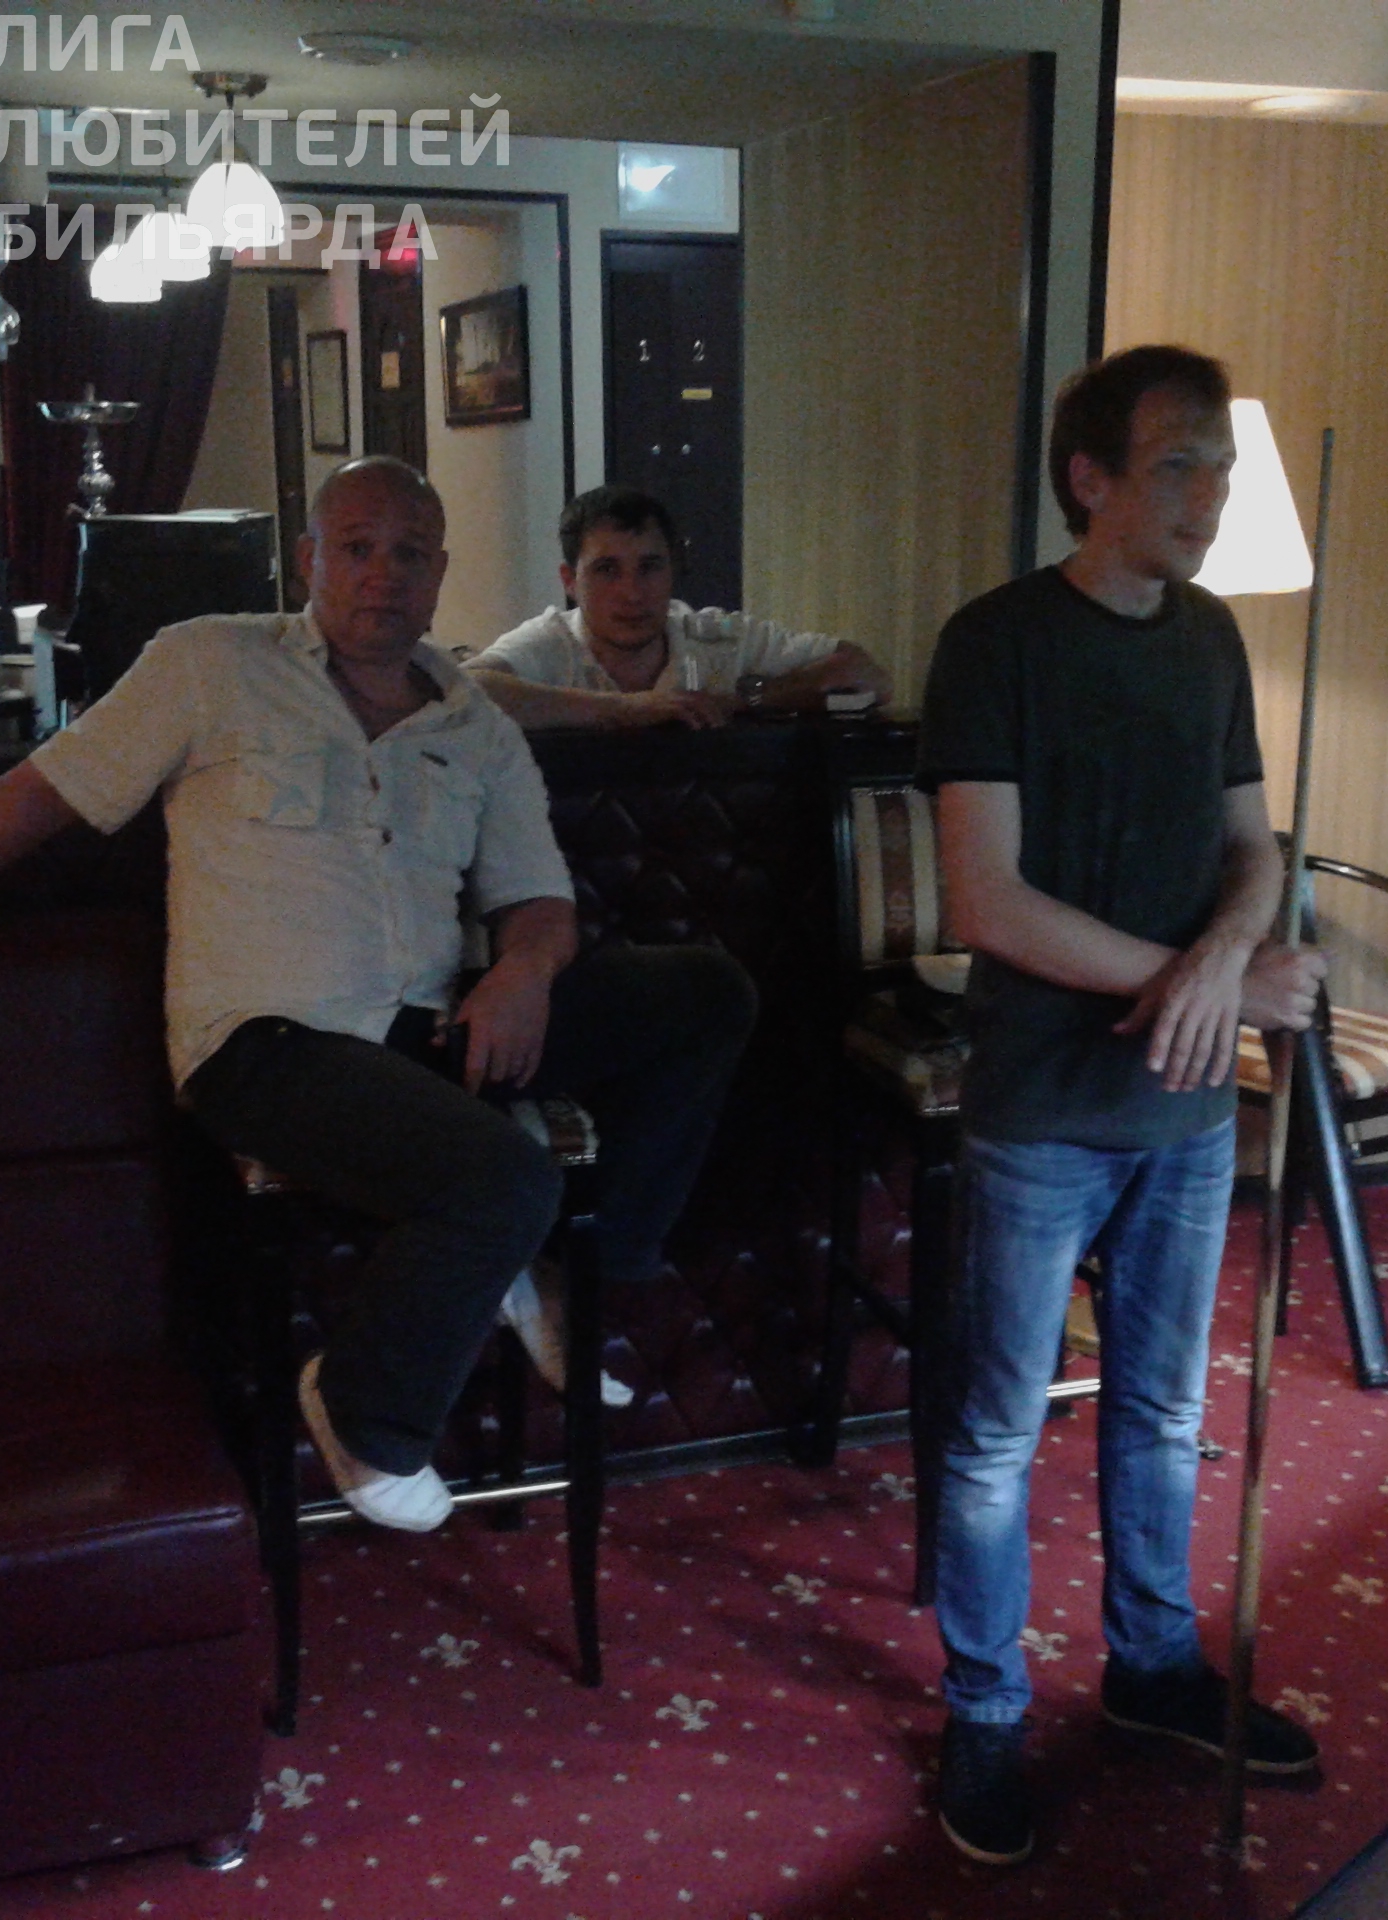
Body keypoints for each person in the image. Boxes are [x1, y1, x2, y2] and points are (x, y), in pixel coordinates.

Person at [0, 457, 757, 1534]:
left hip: (431, 1025)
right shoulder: (209, 663)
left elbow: (538, 899)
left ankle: (568, 1272)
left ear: (440, 573)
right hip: (269, 1046)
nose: (383, 574)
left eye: (409, 553)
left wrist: (522, 971)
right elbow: (42, 794)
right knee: (505, 1177)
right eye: (356, 548)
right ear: (310, 559)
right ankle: (362, 1410)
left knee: (703, 992)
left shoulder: (475, 723)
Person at [914, 345, 1330, 1866]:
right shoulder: (995, 642)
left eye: (1220, 464)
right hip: (1041, 1104)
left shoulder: (1212, 637)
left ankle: (1152, 1670)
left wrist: (1224, 958)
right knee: (994, 1433)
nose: (1209, 494)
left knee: (1164, 1414)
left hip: (1187, 1111)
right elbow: (986, 902)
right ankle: (984, 1710)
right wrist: (1203, 980)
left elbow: (1253, 849)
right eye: (1178, 465)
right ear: (1090, 480)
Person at [467, 485, 892, 730]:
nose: (632, 593)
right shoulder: (549, 642)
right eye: (607, 570)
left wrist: (743, 700)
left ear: (674, 570)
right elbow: (463, 690)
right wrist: (626, 709)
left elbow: (867, 677)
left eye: (650, 567)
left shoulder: (718, 638)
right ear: (569, 582)